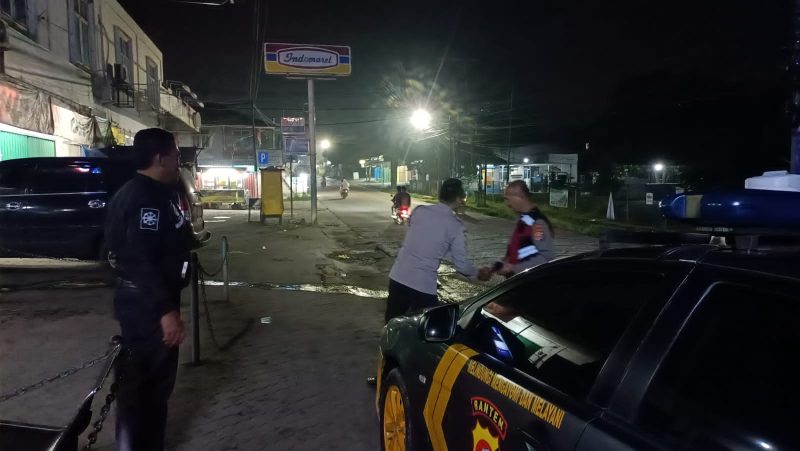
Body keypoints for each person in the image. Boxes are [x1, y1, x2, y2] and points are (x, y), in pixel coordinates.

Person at [105, 128, 193, 451]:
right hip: (147, 309)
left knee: (152, 387)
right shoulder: (144, 198)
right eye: (176, 155)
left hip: (147, 303)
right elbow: (139, 260)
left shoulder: (151, 192)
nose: (179, 161)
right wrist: (165, 311)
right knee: (143, 388)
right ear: (160, 158)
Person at [385, 178, 479, 322]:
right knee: (430, 327)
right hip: (422, 284)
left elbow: (416, 235)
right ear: (459, 199)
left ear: (440, 195)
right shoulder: (456, 226)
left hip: (398, 276)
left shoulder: (419, 211)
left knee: (392, 322)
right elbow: (461, 265)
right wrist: (478, 273)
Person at [478, 180, 555, 281]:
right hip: (519, 280)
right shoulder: (525, 219)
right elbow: (517, 252)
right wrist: (495, 268)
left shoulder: (537, 223)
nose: (507, 204)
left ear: (521, 196)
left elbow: (546, 257)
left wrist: (513, 268)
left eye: (508, 199)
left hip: (530, 282)